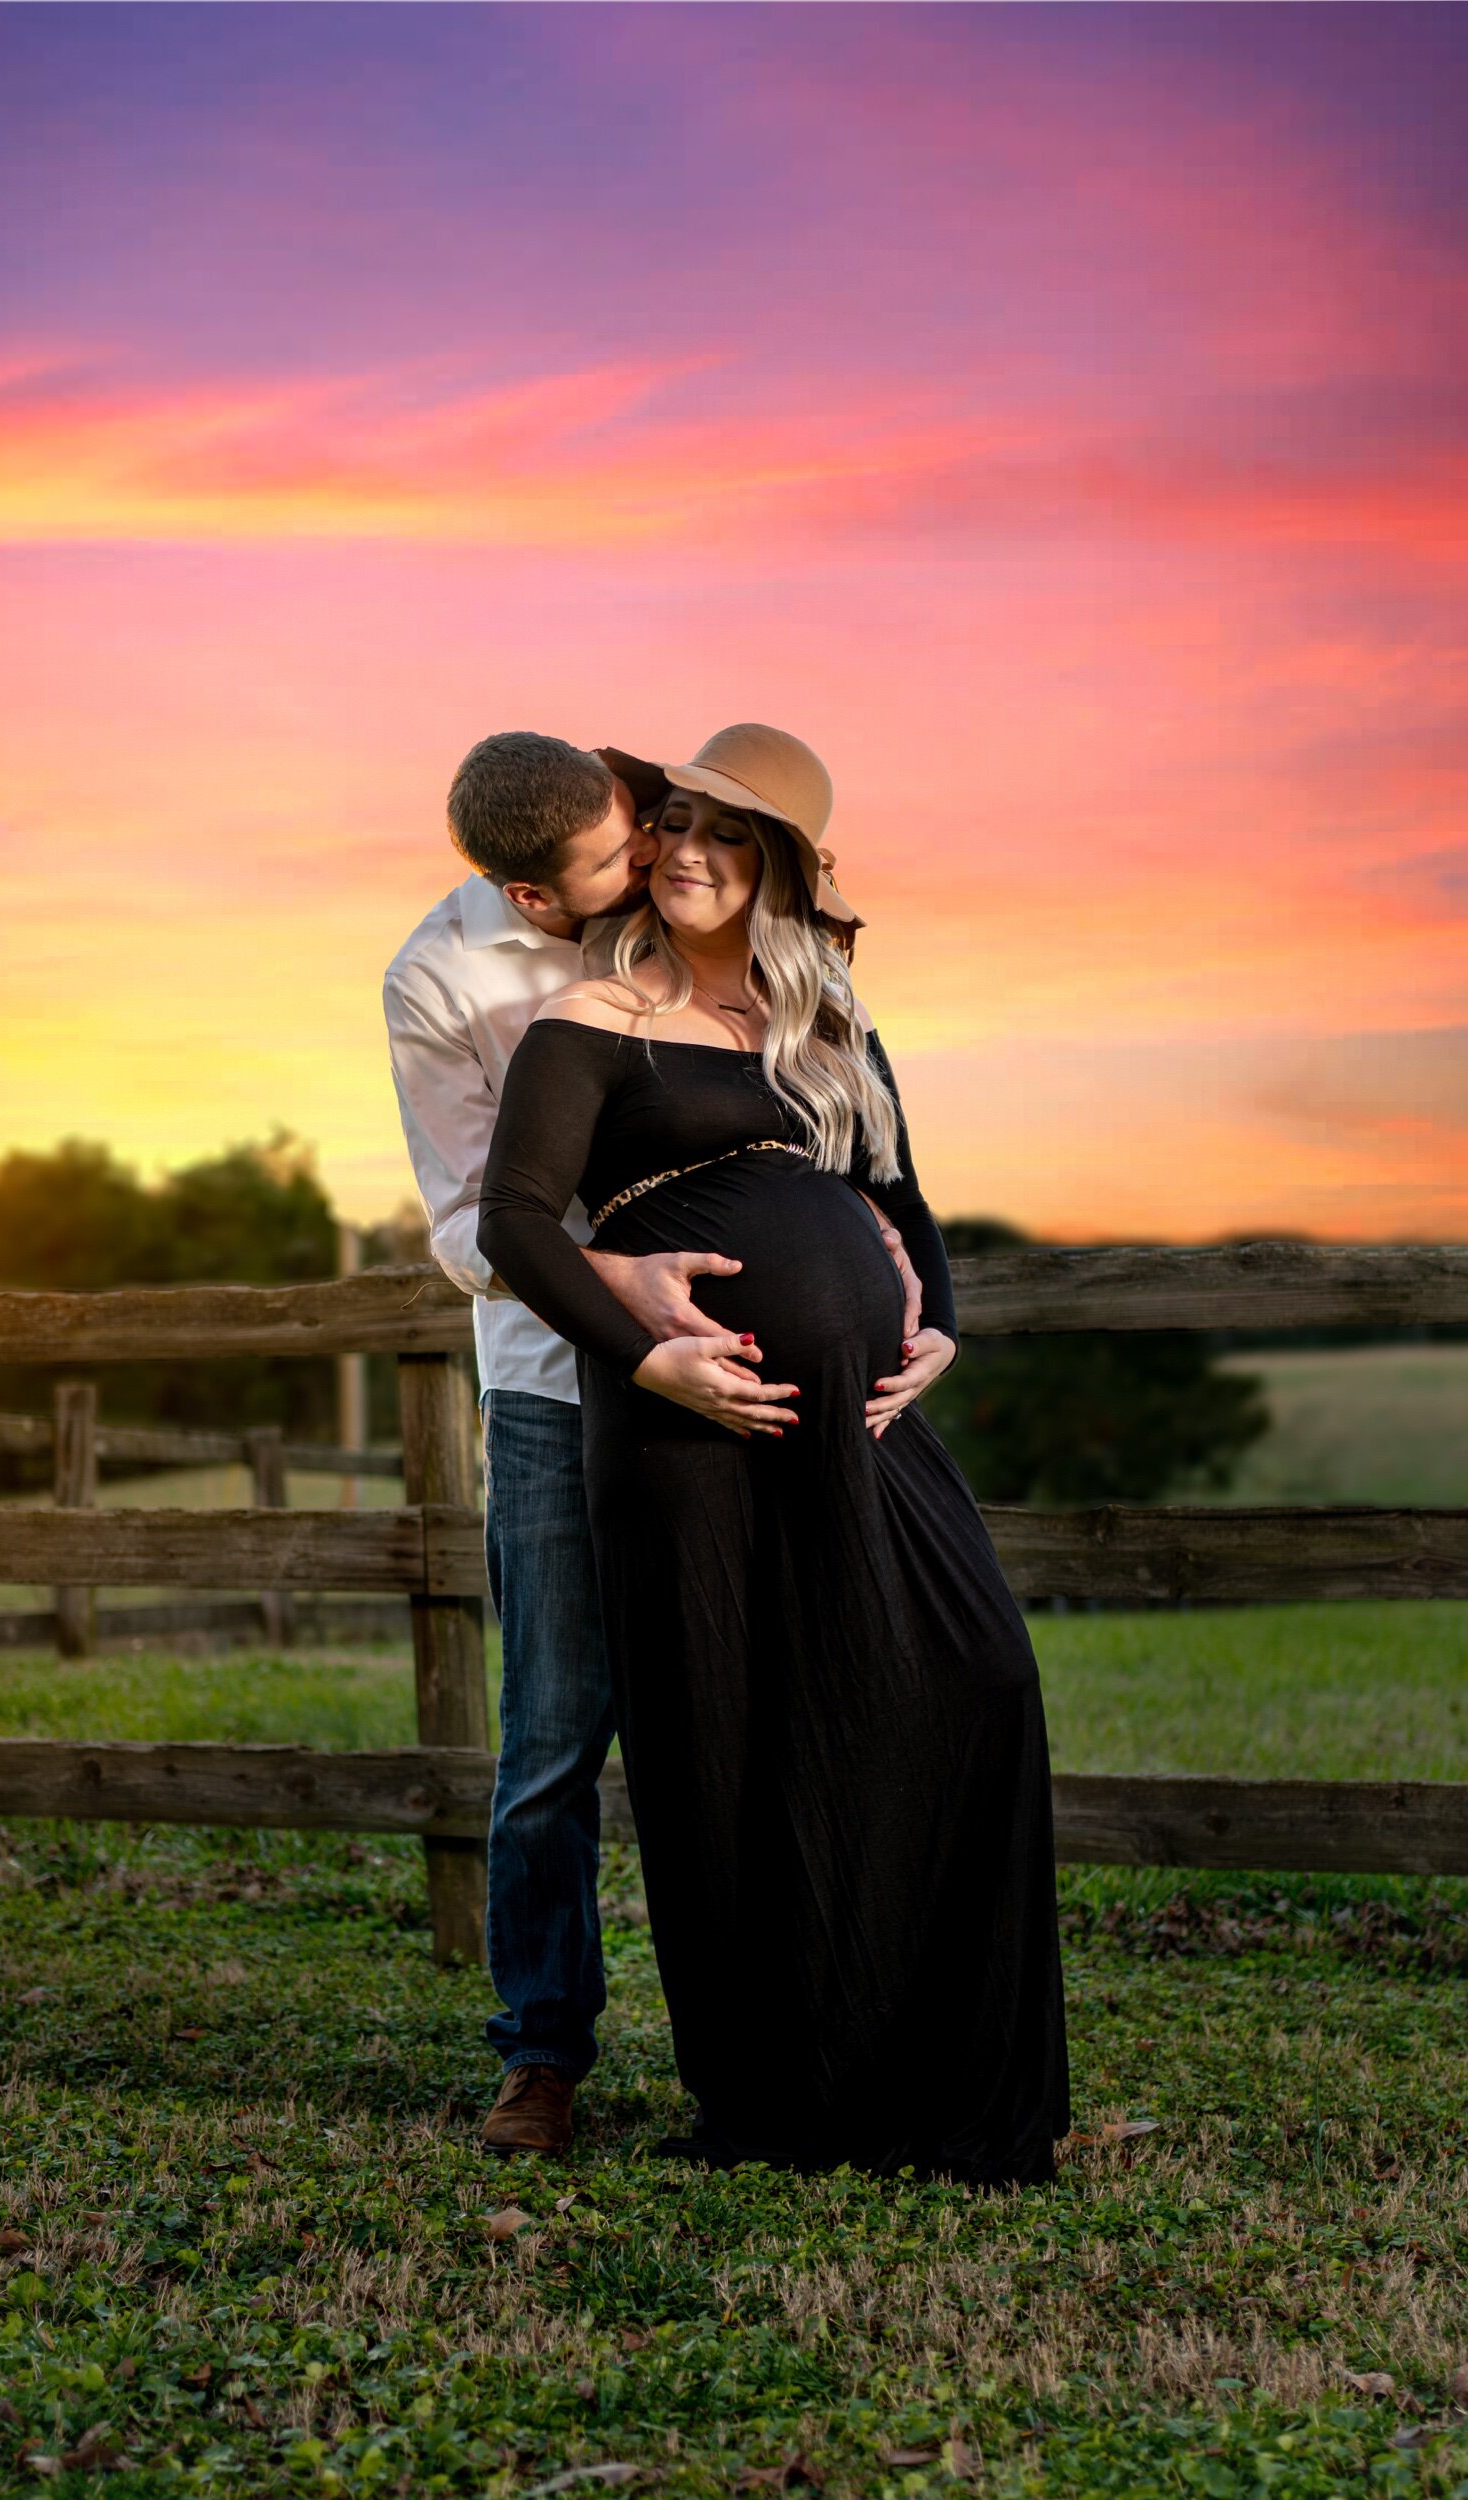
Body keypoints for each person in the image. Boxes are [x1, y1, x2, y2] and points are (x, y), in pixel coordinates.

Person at [478, 724, 1070, 2184]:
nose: (689, 852)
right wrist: (648, 1359)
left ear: (783, 872)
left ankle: (931, 2069)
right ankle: (779, 2095)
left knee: (977, 1674)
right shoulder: (594, 1021)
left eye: (729, 836)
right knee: (733, 1741)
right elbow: (515, 1225)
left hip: (860, 1422)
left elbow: (903, 1199)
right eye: (677, 823)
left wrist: (941, 1330)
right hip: (685, 1424)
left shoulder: (830, 1024)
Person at [385, 731, 939, 2157]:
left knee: (797, 1691)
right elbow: (472, 1227)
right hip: (563, 1390)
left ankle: (839, 2025)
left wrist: (877, 1245)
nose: (652, 860)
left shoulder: (675, 867)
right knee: (557, 1735)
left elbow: (815, 1099)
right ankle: (543, 2049)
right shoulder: (441, 980)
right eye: (619, 858)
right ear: (534, 897)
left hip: (754, 1385)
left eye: (648, 827)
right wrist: (623, 1288)